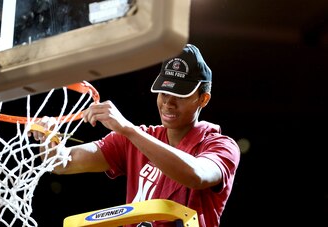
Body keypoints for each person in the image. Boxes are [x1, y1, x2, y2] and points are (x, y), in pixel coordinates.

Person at [31, 44, 241, 227]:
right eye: (164, 92)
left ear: (203, 99)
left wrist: (129, 129)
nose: (168, 102)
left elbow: (196, 175)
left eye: (179, 95)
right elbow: (62, 163)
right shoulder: (134, 138)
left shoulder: (221, 146)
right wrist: (51, 137)